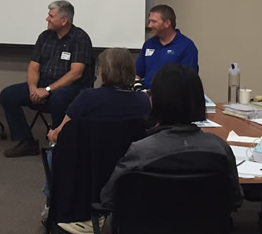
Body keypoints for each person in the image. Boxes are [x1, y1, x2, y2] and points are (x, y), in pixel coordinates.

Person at [100, 63, 243, 211]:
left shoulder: (141, 151)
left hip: (147, 231)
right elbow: (235, 200)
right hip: (206, 231)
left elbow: (108, 198)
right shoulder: (220, 149)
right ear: (199, 100)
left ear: (156, 101)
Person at [1, 0, 94, 158]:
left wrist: (48, 90)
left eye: (51, 16)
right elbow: (33, 67)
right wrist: (33, 88)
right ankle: (27, 141)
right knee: (8, 95)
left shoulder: (80, 38)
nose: (47, 19)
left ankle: (58, 141)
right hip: (43, 84)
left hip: (73, 87)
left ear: (64, 20)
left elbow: (76, 73)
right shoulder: (45, 37)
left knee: (58, 98)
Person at [47, 47, 151, 145]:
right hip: (129, 160)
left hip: (91, 160)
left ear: (103, 72)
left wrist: (52, 134)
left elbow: (61, 134)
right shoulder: (143, 100)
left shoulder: (87, 98)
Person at [135, 4, 198, 90]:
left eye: (154, 22)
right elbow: (137, 73)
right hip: (147, 96)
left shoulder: (186, 46)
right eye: (149, 21)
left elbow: (190, 79)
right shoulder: (149, 44)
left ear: (167, 23)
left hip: (173, 97)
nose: (149, 25)